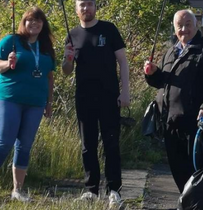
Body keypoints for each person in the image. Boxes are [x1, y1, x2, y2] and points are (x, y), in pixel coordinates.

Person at [0, 6, 55, 202]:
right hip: (9, 98)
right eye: (29, 20)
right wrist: (7, 63)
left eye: (38, 20)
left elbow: (50, 77)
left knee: (25, 145)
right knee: (5, 142)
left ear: (43, 24)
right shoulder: (12, 40)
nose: (33, 23)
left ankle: (17, 190)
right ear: (24, 23)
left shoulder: (46, 48)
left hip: (35, 102)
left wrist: (49, 102)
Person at [143, 9, 203, 194]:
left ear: (196, 25)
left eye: (188, 24)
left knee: (197, 173)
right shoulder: (171, 52)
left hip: (195, 125)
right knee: (178, 171)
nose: (184, 29)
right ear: (174, 30)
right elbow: (163, 82)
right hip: (171, 124)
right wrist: (152, 74)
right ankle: (188, 203)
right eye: (179, 25)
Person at [62, 0, 130, 208]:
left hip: (109, 97)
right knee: (87, 145)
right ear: (76, 9)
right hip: (84, 97)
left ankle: (114, 191)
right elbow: (66, 70)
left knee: (111, 144)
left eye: (90, 4)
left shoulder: (108, 29)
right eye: (82, 5)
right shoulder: (72, 35)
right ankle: (91, 189)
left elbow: (123, 62)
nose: (86, 8)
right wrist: (68, 59)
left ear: (95, 7)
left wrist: (125, 91)